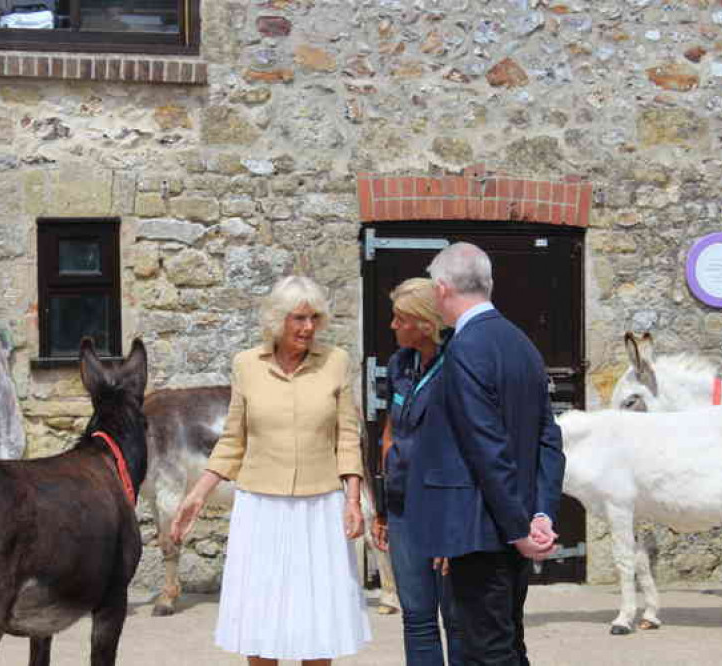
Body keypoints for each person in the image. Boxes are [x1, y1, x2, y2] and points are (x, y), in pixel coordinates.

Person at [170, 275, 371, 666]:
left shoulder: (336, 362)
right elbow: (232, 440)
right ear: (278, 320)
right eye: (298, 318)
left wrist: (351, 499)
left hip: (320, 510)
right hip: (261, 509)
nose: (308, 327)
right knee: (262, 618)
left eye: (314, 317)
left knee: (317, 624)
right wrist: (197, 494)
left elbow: (347, 436)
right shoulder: (247, 365)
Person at [406, 242, 565, 666]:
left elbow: (485, 447)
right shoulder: (522, 344)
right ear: (488, 284)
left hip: (480, 531)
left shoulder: (465, 348)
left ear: (441, 289)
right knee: (507, 644)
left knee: (487, 652)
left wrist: (519, 530)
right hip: (511, 525)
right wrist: (541, 514)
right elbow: (548, 439)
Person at [371, 278, 463, 666]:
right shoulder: (399, 364)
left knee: (457, 619)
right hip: (403, 506)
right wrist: (381, 507)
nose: (393, 326)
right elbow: (390, 431)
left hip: (444, 508)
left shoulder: (458, 364)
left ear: (426, 323)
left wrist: (456, 526)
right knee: (417, 616)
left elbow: (466, 445)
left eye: (401, 319)